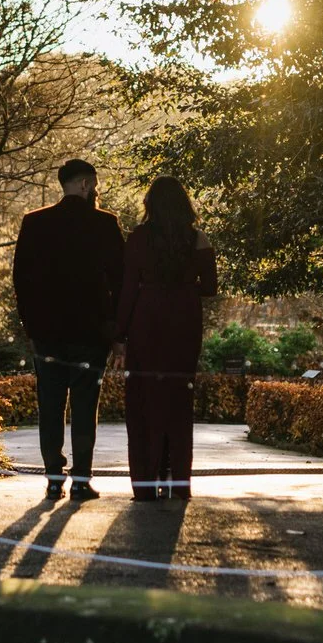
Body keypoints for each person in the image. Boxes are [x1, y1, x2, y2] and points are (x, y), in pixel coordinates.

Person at [13, 159, 126, 501]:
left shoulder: (35, 222)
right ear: (86, 184)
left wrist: (31, 325)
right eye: (94, 184)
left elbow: (21, 279)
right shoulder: (105, 224)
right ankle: (81, 480)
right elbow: (120, 280)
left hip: (47, 332)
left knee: (49, 406)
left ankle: (52, 478)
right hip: (91, 332)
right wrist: (117, 331)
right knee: (84, 406)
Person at [116, 176, 218, 502]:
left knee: (144, 403)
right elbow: (211, 287)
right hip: (184, 322)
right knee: (178, 401)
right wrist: (187, 287)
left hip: (147, 321)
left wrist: (119, 334)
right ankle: (179, 482)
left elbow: (128, 289)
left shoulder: (139, 238)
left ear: (150, 204)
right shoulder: (197, 239)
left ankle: (145, 483)